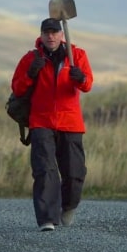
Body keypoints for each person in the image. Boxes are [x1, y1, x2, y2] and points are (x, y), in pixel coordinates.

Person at [11, 18, 94, 231]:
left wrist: (80, 78)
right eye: (46, 32)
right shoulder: (30, 58)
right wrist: (31, 74)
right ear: (41, 34)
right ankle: (47, 219)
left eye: (54, 32)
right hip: (41, 120)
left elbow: (88, 85)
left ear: (61, 35)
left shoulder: (77, 56)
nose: (50, 36)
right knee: (44, 170)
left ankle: (68, 206)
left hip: (70, 122)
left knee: (75, 173)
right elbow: (18, 89)